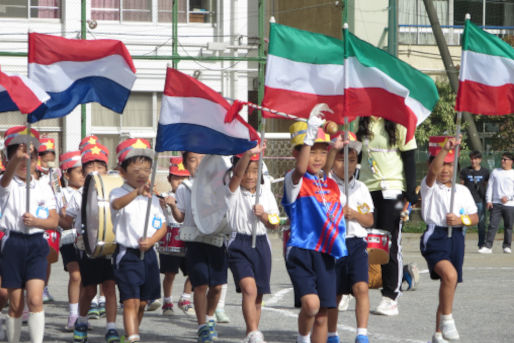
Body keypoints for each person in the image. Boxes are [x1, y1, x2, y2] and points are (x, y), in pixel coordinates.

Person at [282, 105, 348, 343]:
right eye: (311, 152)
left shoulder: (328, 182)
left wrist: (335, 147)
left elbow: (325, 169)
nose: (317, 157)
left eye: (322, 152)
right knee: (311, 305)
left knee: (322, 315)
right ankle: (302, 338)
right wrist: (310, 133)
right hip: (302, 249)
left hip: (326, 252)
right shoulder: (294, 181)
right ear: (297, 154)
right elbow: (302, 170)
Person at [0, 126, 59, 343]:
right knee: (15, 305)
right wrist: (17, 158)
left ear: (36, 160)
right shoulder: (6, 184)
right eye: (19, 157)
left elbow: (54, 221)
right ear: (9, 159)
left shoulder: (43, 187)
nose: (26, 163)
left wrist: (37, 222)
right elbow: (5, 180)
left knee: (35, 300)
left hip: (36, 244)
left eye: (30, 158)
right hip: (13, 243)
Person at [356, 117, 418, 316]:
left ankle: (390, 297)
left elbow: (409, 157)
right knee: (357, 239)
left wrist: (410, 192)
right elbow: (356, 156)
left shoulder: (400, 120)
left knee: (388, 242)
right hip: (366, 187)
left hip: (393, 189)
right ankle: (349, 289)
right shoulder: (362, 121)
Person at [419, 136, 478, 343]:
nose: (445, 169)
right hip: (435, 236)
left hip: (457, 238)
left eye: (450, 164)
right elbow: (432, 173)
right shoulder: (430, 186)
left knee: (449, 286)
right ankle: (448, 320)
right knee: (450, 276)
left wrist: (461, 219)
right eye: (442, 163)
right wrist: (444, 149)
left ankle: (438, 333)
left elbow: (475, 217)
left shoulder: (462, 191)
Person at [166, 151, 227, 343]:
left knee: (217, 286)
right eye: (193, 160)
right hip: (195, 240)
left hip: (217, 239)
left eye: (203, 159)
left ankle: (210, 317)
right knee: (200, 285)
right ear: (185, 164)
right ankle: (202, 326)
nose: (198, 163)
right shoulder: (184, 187)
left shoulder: (219, 184)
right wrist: (173, 206)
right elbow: (180, 217)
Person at [110, 138, 167, 343]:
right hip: (128, 255)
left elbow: (162, 226)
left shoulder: (151, 198)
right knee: (130, 300)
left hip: (149, 255)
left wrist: (151, 240)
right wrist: (136, 193)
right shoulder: (118, 192)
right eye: (136, 170)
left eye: (146, 170)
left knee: (143, 302)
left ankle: (130, 334)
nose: (142, 174)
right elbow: (116, 205)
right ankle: (133, 337)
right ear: (122, 172)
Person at [66, 143, 121, 343]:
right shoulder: (80, 193)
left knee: (109, 286)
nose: (96, 169)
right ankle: (81, 320)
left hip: (109, 245)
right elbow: (67, 218)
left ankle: (111, 328)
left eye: (100, 165)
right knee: (89, 289)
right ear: (84, 169)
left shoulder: (115, 190)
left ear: (107, 169)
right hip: (88, 246)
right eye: (90, 166)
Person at [226, 143, 280, 343]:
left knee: (258, 295)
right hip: (239, 243)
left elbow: (275, 223)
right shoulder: (232, 190)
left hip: (262, 244)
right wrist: (248, 154)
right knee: (249, 289)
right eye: (247, 170)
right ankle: (252, 332)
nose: (250, 176)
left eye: (255, 171)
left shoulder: (265, 192)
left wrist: (264, 216)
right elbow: (237, 177)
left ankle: (252, 334)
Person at [327, 133, 373, 343]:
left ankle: (361, 333)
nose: (347, 164)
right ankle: (332, 334)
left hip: (356, 242)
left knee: (361, 287)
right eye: (341, 158)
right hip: (334, 243)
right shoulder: (326, 184)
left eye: (352, 160)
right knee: (335, 293)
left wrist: (354, 214)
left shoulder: (361, 188)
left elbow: (370, 220)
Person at [158, 157, 195, 317]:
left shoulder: (192, 194)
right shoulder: (164, 196)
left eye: (184, 177)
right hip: (170, 238)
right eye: (176, 177)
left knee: (194, 271)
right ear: (169, 179)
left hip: (188, 236)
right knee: (170, 274)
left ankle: (185, 298)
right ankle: (167, 301)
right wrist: (161, 203)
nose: (180, 181)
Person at [57, 151, 85, 331]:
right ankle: (73, 315)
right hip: (68, 238)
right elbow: (63, 221)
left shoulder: (88, 191)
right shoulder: (60, 194)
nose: (83, 175)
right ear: (67, 174)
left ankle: (82, 314)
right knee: (75, 274)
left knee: (85, 278)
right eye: (79, 171)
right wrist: (63, 216)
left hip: (86, 238)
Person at [479, 152, 514, 254]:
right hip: (496, 203)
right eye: (502, 159)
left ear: (511, 162)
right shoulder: (495, 172)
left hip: (510, 204)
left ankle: (507, 246)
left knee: (508, 226)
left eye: (505, 159)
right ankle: (488, 246)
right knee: (492, 225)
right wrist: (489, 200)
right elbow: (490, 186)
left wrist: (508, 197)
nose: (502, 161)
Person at [37, 137, 58, 303]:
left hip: (49, 217)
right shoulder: (33, 172)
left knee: (48, 255)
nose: (48, 159)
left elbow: (58, 194)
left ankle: (44, 287)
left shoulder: (55, 174)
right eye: (45, 156)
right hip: (35, 217)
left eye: (51, 156)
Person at [460, 150, 489, 249]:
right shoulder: (465, 171)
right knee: (464, 223)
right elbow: (462, 185)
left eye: (475, 158)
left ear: (480, 160)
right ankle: (460, 243)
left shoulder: (485, 172)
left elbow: (486, 185)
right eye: (472, 158)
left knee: (481, 223)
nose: (473, 161)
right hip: (466, 202)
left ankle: (482, 244)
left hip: (479, 201)